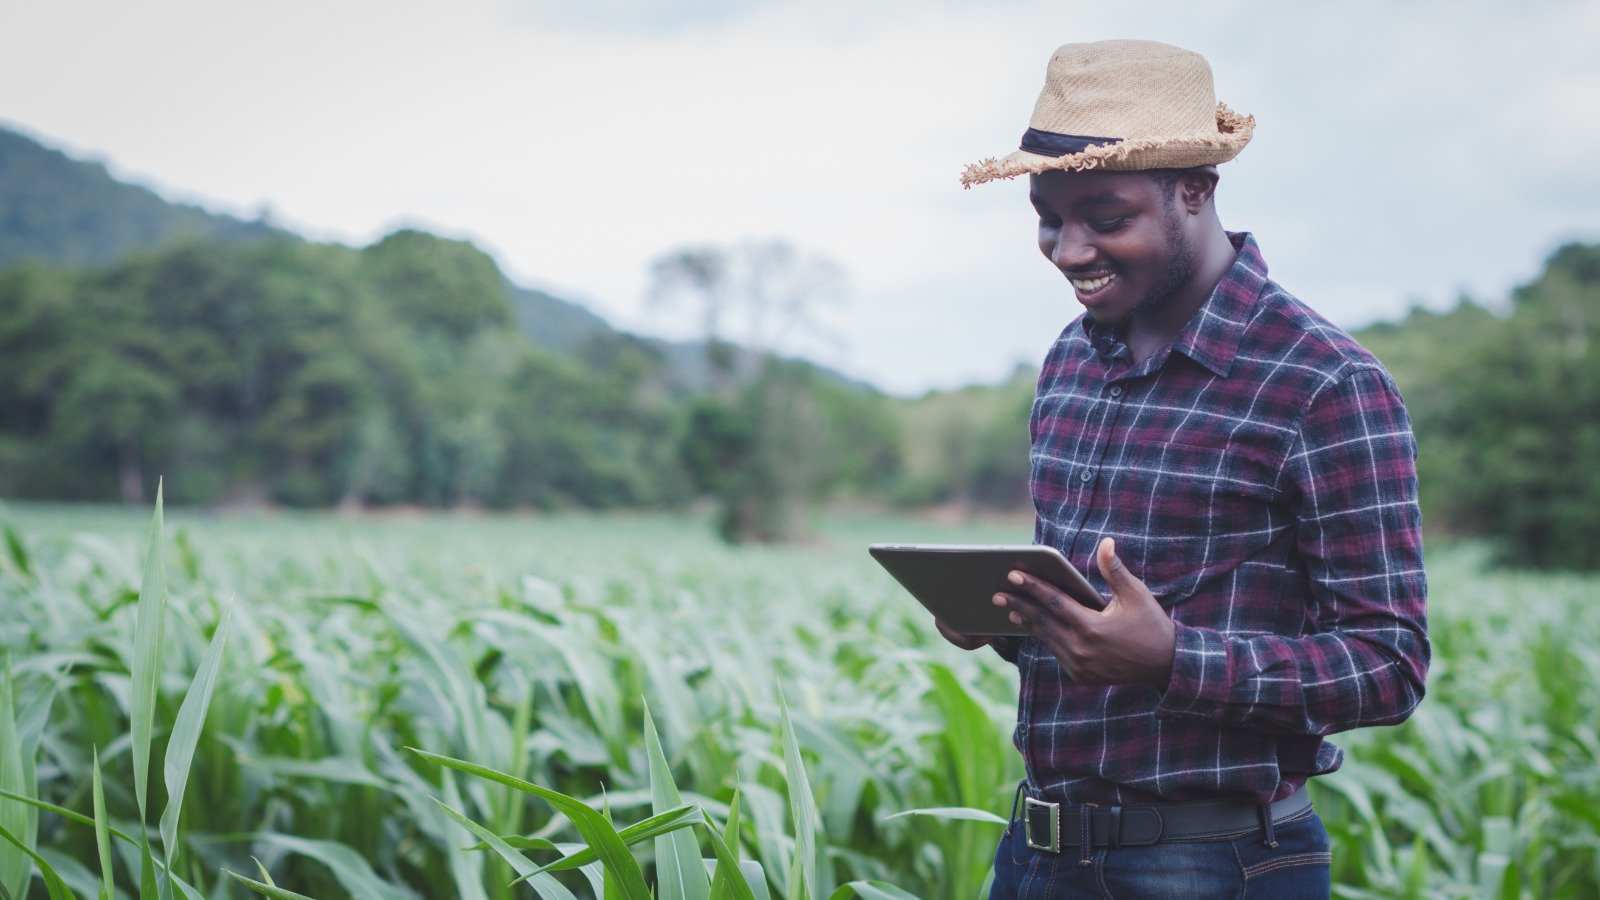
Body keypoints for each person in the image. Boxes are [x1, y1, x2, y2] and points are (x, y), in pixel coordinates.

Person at [941, 39, 1429, 898]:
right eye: (1048, 217)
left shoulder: (1323, 382)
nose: (1067, 248)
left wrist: (1173, 658)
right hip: (1036, 854)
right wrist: (1013, 620)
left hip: (1213, 864)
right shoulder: (1071, 363)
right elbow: (1095, 632)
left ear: (1194, 191)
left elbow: (1389, 663)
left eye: (1105, 215)